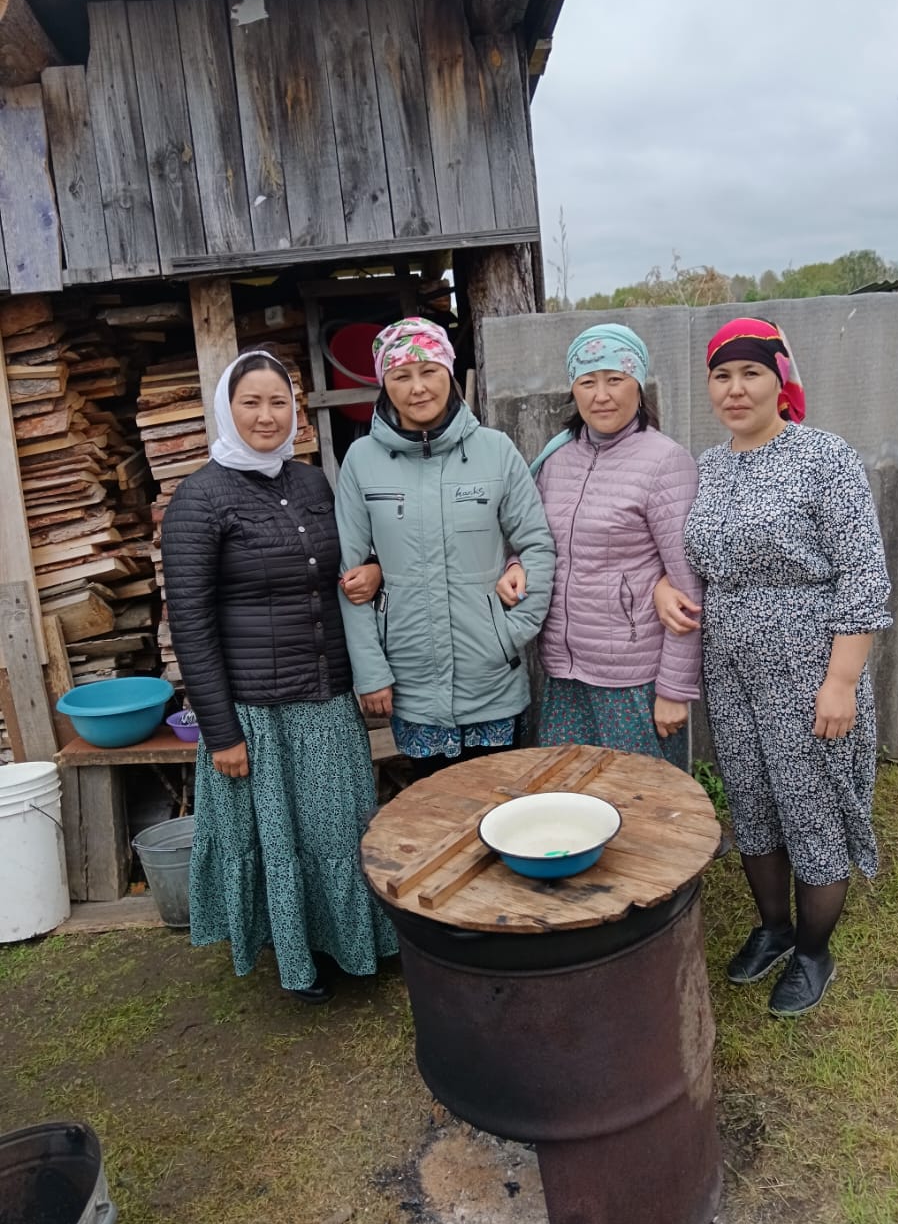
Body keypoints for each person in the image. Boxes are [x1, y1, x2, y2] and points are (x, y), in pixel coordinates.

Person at [657, 316, 892, 1017]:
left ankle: (814, 952)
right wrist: (663, 587)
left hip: (806, 661)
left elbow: (863, 577)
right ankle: (774, 929)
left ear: (780, 381)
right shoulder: (705, 466)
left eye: (751, 373)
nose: (735, 389)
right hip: (727, 662)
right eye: (722, 375)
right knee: (753, 799)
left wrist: (842, 680)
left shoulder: (824, 457)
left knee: (811, 804)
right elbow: (679, 557)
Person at [161, 349, 396, 1004]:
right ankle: (298, 962)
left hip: (325, 701)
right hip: (256, 713)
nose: (267, 416)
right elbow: (191, 623)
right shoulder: (199, 500)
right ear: (226, 410)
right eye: (251, 402)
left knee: (339, 835)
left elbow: (351, 563)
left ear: (295, 411)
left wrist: (372, 570)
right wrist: (221, 732)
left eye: (277, 402)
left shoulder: (312, 484)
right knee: (282, 844)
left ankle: (359, 943)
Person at [334, 317, 555, 779]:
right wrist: (372, 672)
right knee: (433, 819)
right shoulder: (361, 462)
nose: (417, 388)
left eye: (428, 371)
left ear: (449, 374)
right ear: (384, 384)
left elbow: (536, 543)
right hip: (411, 679)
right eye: (401, 375)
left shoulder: (495, 451)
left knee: (503, 813)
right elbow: (350, 574)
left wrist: (510, 633)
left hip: (493, 676)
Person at [497, 323, 702, 767]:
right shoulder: (557, 458)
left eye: (615, 380)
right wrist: (517, 564)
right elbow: (537, 537)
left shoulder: (666, 461)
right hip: (564, 670)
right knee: (572, 795)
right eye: (588, 382)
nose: (601, 395)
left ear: (638, 385)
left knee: (645, 802)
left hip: (632, 676)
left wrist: (673, 689)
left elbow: (688, 589)